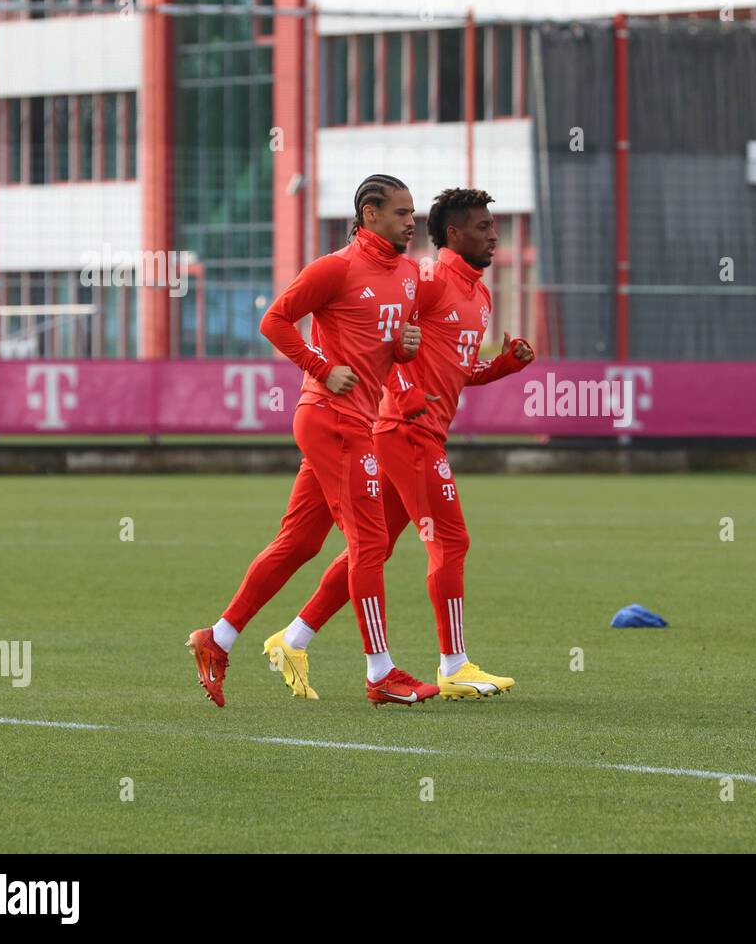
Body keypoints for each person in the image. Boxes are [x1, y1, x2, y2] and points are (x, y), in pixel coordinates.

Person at [263, 187, 535, 702]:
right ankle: (453, 665)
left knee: (374, 547)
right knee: (450, 542)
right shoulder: (427, 280)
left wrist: (501, 367)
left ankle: (293, 638)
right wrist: (404, 392)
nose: (494, 234)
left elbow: (456, 372)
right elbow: (387, 351)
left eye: (493, 225)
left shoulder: (479, 294)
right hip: (403, 432)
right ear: (453, 234)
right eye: (482, 226)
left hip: (412, 432)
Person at [186, 173, 440, 708]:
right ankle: (380, 674)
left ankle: (218, 638)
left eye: (412, 212)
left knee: (301, 543)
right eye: (401, 212)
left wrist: (405, 348)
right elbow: (274, 321)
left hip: (350, 421)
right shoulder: (336, 267)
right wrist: (320, 367)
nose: (411, 221)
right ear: (369, 214)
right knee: (370, 545)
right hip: (332, 418)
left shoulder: (411, 274)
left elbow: (387, 347)